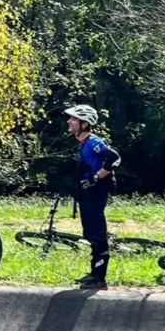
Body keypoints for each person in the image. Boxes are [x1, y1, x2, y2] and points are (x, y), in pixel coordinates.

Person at [66, 104, 121, 290]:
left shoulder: (92, 141)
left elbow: (114, 158)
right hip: (87, 193)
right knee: (90, 232)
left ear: (84, 123)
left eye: (73, 119)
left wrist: (96, 177)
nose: (69, 121)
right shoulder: (83, 143)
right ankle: (95, 274)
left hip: (95, 192)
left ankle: (99, 278)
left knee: (97, 233)